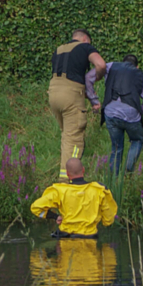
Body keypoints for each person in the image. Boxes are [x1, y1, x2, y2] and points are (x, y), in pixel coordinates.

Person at [49, 30, 106, 180]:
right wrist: (97, 77)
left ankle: (64, 173)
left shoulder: (59, 49)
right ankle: (67, 181)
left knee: (66, 135)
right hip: (71, 94)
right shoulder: (85, 47)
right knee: (73, 138)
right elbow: (100, 64)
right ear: (85, 39)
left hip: (53, 92)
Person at [86, 54, 143, 175]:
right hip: (132, 115)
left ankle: (114, 177)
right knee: (137, 140)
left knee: (116, 146)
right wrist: (138, 112)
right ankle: (129, 169)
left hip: (110, 112)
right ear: (137, 66)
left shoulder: (111, 66)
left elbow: (89, 77)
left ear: (122, 62)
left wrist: (94, 100)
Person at [30, 158, 118, 238]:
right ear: (83, 170)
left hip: (65, 236)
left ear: (67, 174)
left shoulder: (59, 191)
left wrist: (55, 216)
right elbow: (109, 220)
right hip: (90, 237)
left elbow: (35, 208)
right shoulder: (99, 190)